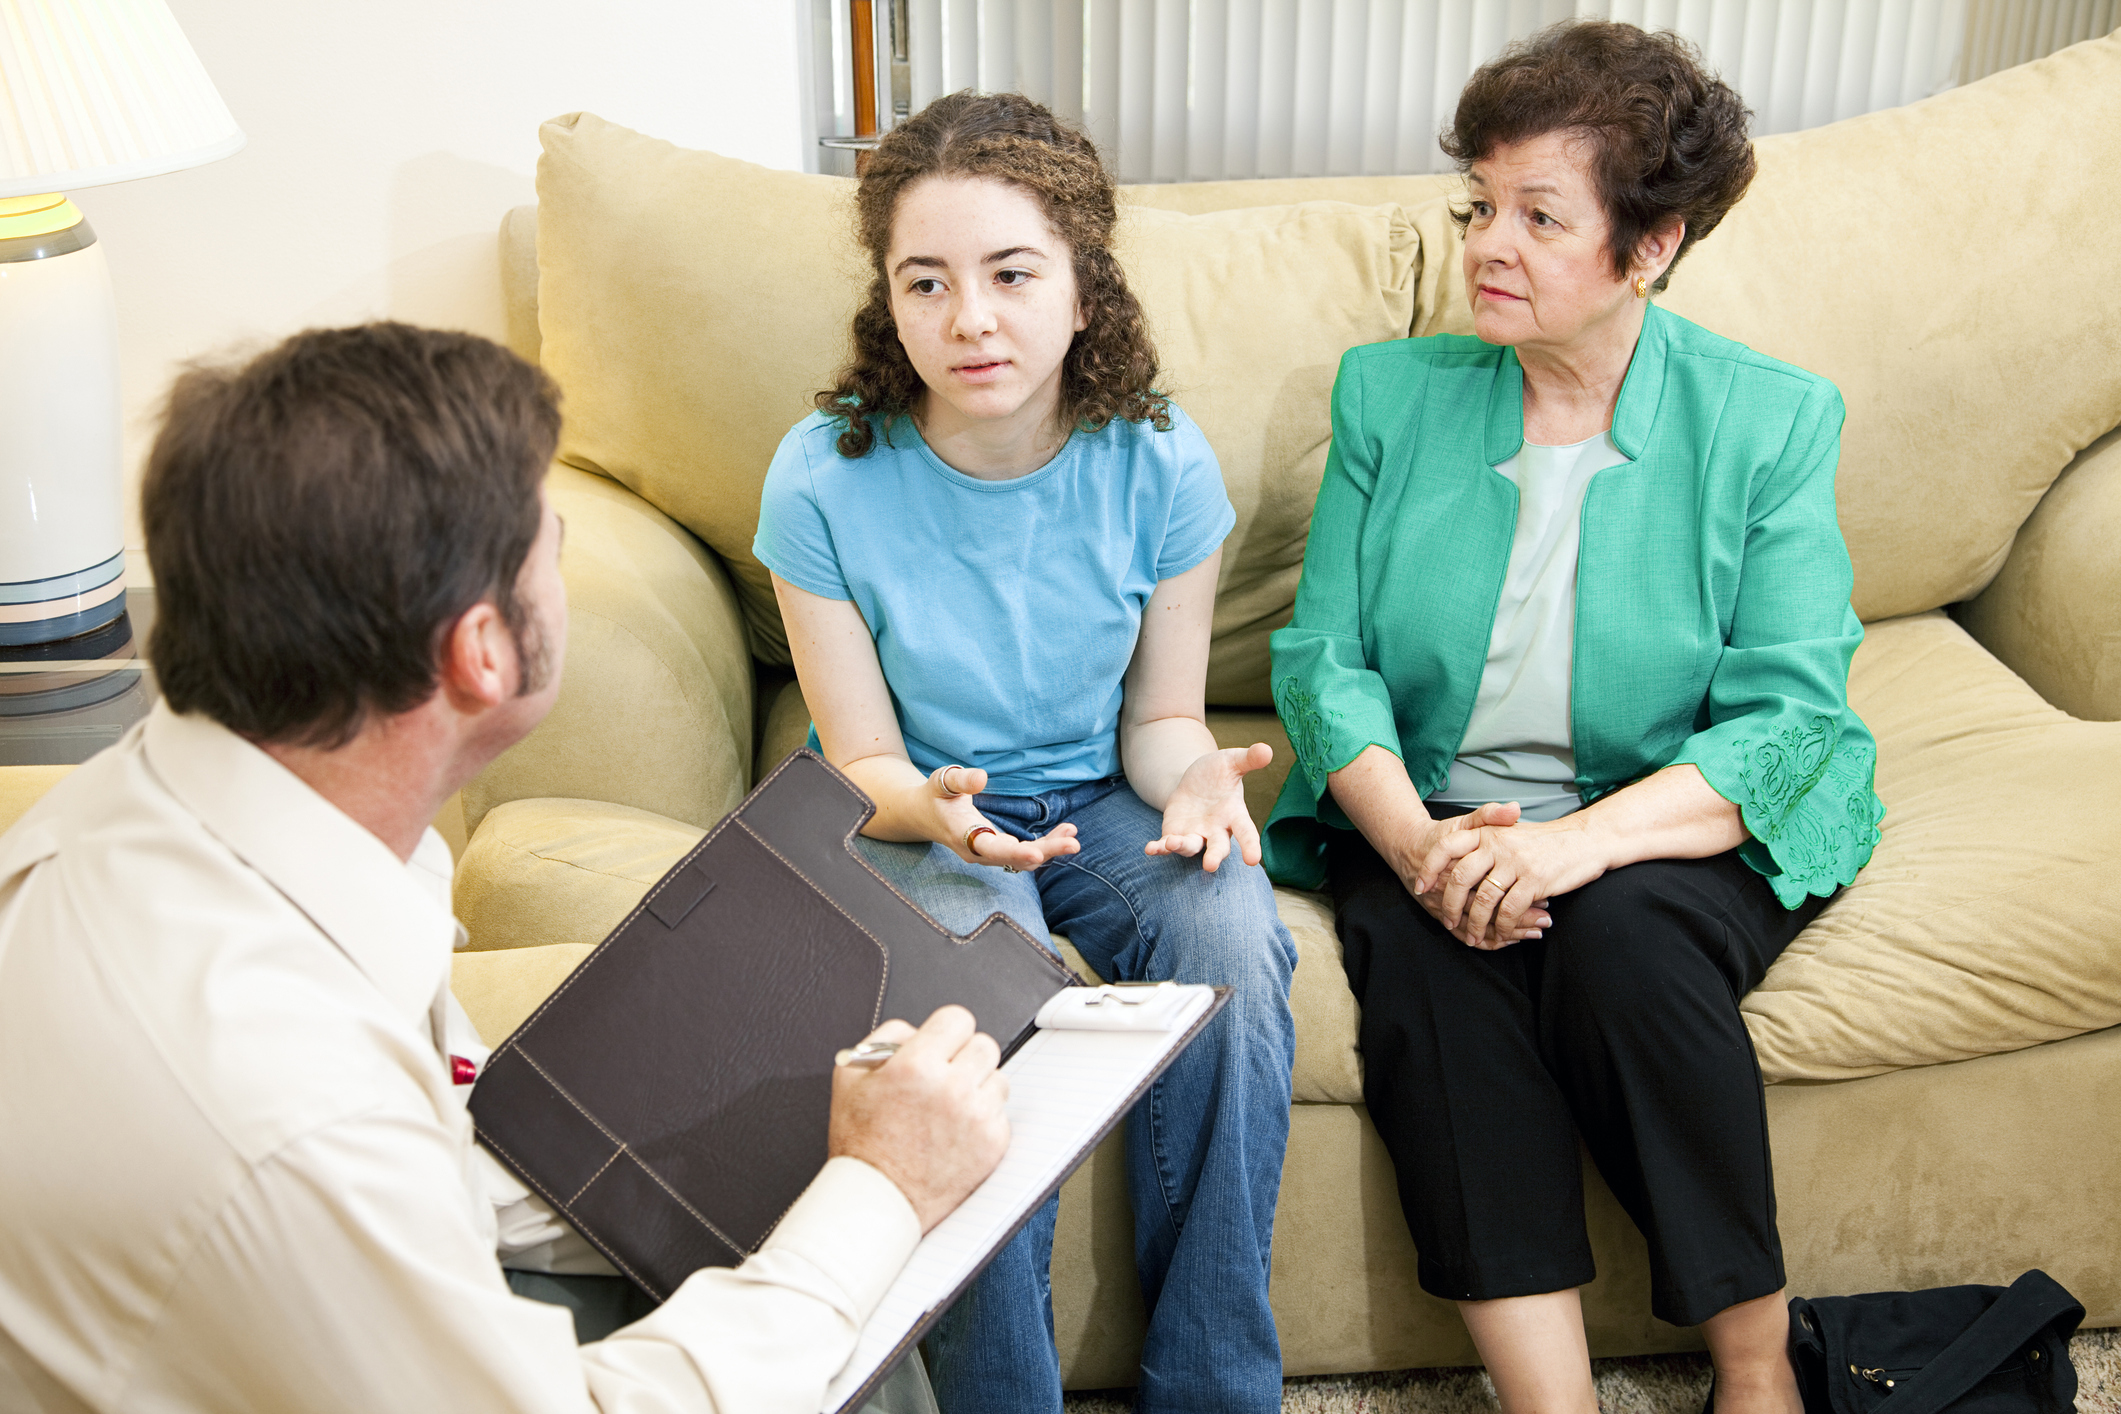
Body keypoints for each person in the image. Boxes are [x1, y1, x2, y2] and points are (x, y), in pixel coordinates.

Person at [0, 323, 1009, 1414]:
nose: (566, 559)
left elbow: (436, 1154)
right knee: (847, 1325)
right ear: (481, 650)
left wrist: (726, 1185)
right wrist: (881, 1184)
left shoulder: (156, 810)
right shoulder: (287, 1110)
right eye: (552, 544)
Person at [1263, 21, 1884, 1414]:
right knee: (1429, 975)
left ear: (1649, 244)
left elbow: (1788, 716)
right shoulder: (1388, 396)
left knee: (1628, 948)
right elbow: (1319, 659)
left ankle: (1754, 1376)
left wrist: (1572, 847)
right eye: (1479, 204)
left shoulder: (1769, 421)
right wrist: (1420, 847)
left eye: (1540, 215)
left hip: (1669, 803)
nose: (1489, 240)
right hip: (1431, 797)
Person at [754, 92, 1296, 1414]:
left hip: (1102, 794)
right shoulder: (822, 474)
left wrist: (1201, 781)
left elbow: (1161, 725)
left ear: (1083, 286)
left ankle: (1213, 1389)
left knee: (1231, 933)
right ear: (888, 301)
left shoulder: (1158, 459)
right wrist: (935, 813)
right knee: (977, 1010)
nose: (970, 320)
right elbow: (862, 763)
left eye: (1010, 274)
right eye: (924, 283)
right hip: (915, 809)